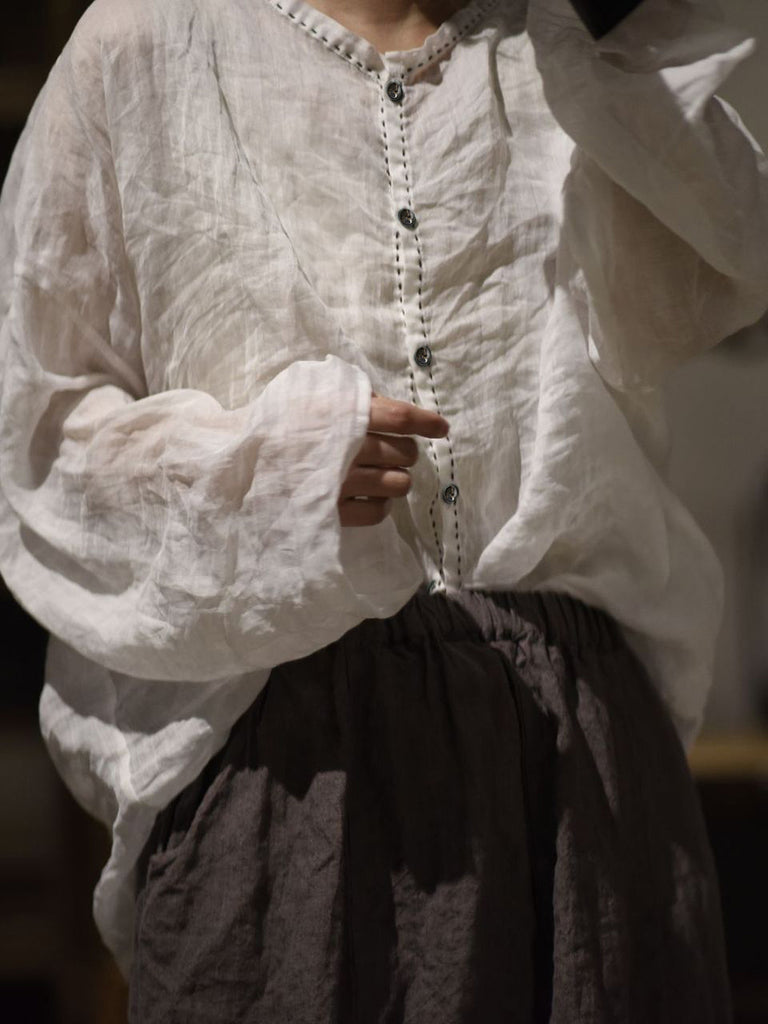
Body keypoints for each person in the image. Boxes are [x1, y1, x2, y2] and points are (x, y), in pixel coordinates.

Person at [1, 0, 766, 1019]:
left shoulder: (568, 43)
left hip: (583, 756)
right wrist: (268, 477)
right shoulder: (148, 40)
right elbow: (41, 435)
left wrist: (620, 46)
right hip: (289, 771)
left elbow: (724, 270)